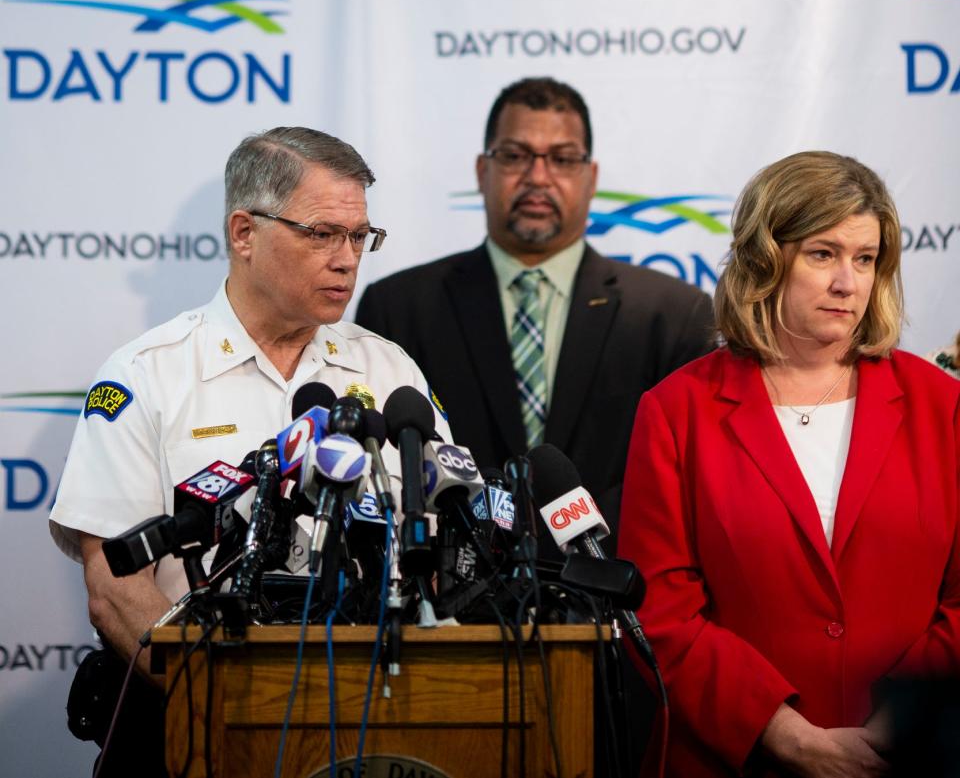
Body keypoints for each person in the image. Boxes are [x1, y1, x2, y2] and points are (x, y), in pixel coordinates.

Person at [51, 126, 449, 678]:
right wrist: (224, 702)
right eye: (323, 234)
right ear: (244, 232)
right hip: (206, 719)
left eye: (360, 236)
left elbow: (447, 547)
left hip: (375, 710)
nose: (347, 259)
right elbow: (114, 588)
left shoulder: (390, 371)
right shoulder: (147, 375)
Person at [618, 151, 960, 778]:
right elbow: (659, 610)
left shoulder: (943, 407)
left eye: (866, 259)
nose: (848, 282)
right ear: (764, 260)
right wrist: (788, 736)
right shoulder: (676, 411)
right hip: (734, 758)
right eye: (823, 254)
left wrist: (899, 722)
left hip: (914, 756)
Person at [357, 76, 715, 541]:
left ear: (592, 177)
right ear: (482, 171)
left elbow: (685, 476)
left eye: (563, 159)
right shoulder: (399, 307)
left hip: (618, 585)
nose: (538, 177)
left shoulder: (672, 314)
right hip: (451, 593)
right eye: (514, 156)